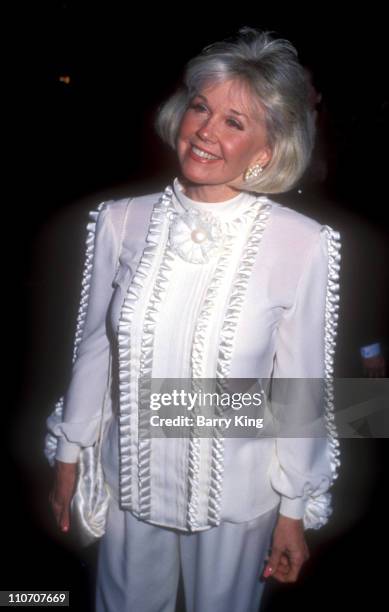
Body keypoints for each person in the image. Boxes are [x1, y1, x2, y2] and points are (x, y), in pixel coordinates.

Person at [45, 27, 341, 612]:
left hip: (237, 497)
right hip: (129, 477)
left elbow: (302, 390)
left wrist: (295, 509)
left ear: (266, 150)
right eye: (201, 107)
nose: (206, 130)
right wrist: (69, 450)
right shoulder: (119, 220)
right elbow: (93, 352)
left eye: (236, 121)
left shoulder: (303, 242)